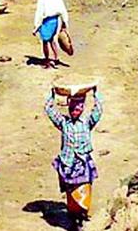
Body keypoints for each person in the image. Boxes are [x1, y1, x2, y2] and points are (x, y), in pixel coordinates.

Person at [45, 86, 103, 228]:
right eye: (72, 109)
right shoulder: (63, 123)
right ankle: (74, 216)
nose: (74, 111)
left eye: (77, 109)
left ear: (82, 109)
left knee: (84, 189)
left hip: (83, 163)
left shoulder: (87, 122)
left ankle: (81, 214)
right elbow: (49, 109)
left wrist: (96, 94)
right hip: (68, 163)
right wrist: (52, 94)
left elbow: (98, 110)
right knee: (71, 192)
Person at [33, 0, 69, 69]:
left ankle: (47, 60)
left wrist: (36, 26)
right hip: (55, 20)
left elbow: (39, 13)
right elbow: (62, 9)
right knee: (53, 40)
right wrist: (65, 21)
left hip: (46, 22)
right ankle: (56, 58)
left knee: (45, 41)